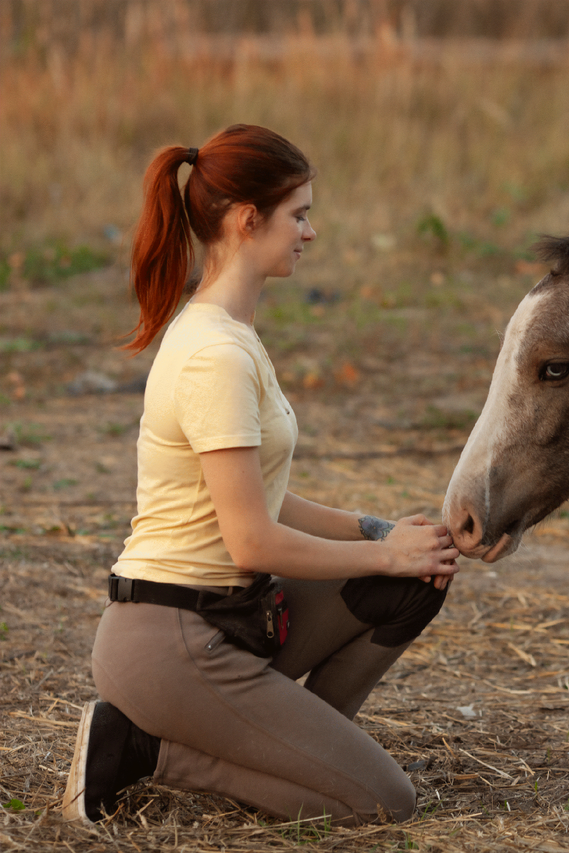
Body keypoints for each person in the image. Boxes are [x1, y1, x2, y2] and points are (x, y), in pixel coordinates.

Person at [62, 124, 460, 826]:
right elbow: (251, 540)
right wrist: (380, 549)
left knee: (406, 583)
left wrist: (383, 536)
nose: (311, 231)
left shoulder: (235, 334)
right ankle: (143, 749)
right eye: (298, 214)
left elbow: (265, 497)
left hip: (235, 617)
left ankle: (301, 749)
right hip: (175, 640)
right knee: (382, 803)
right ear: (249, 219)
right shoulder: (214, 352)